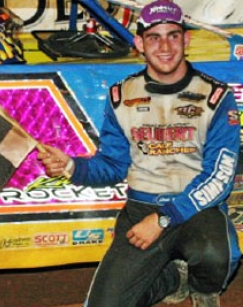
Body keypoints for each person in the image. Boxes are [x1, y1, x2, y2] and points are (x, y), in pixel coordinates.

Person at [37, 0, 241, 306]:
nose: (165, 46)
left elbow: (219, 177)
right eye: (154, 37)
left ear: (186, 39)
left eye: (173, 35)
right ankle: (174, 279)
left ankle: (201, 286)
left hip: (196, 210)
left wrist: (163, 218)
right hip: (141, 210)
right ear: (139, 44)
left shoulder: (216, 97)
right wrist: (71, 167)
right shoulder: (121, 96)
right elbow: (113, 166)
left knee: (216, 255)